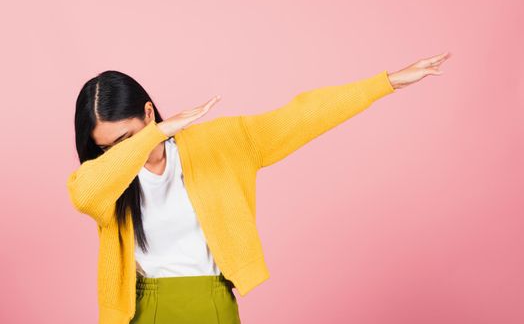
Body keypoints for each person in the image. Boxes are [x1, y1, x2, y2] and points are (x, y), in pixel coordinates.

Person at [66, 52, 451, 324]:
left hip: (210, 301)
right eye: (108, 148)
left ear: (148, 112)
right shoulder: (106, 181)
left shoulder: (220, 143)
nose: (122, 153)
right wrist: (153, 135)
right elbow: (83, 194)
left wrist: (384, 83)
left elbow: (299, 118)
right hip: (139, 310)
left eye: (128, 137)